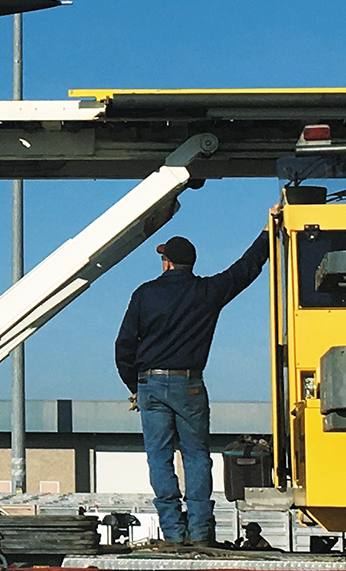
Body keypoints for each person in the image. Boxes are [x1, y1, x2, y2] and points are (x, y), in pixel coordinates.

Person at [114, 206, 280, 545]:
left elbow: (124, 346)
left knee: (159, 459)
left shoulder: (144, 294)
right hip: (190, 384)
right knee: (196, 458)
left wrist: (137, 386)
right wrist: (268, 231)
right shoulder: (208, 292)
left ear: (166, 263)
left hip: (151, 384)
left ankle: (174, 533)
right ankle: (202, 531)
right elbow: (247, 268)